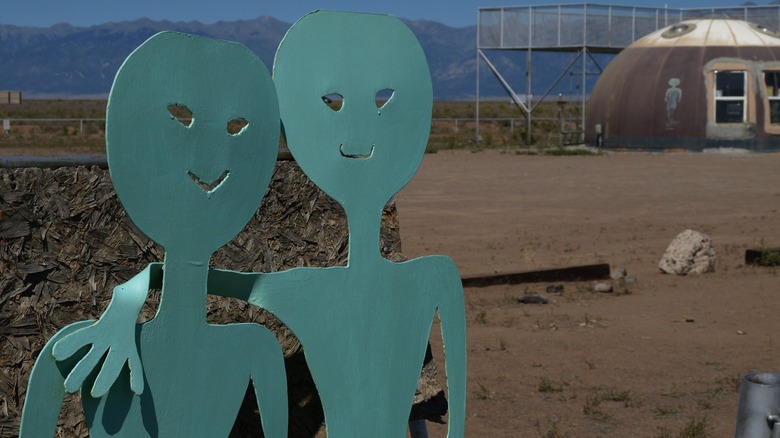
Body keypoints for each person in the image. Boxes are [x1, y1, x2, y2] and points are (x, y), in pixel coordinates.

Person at [19, 31, 288, 437]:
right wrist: (124, 304)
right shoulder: (82, 348)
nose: (211, 157)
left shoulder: (257, 349)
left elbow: (256, 286)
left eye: (237, 128)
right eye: (180, 119)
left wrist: (126, 301)